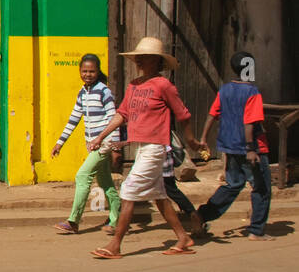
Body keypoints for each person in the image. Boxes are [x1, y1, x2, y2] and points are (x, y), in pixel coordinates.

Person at [86, 38, 201, 259]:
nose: (139, 60)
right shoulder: (135, 84)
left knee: (128, 191)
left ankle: (115, 244)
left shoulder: (163, 85)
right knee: (159, 195)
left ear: (157, 61)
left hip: (155, 148)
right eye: (138, 57)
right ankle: (183, 237)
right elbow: (123, 114)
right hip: (141, 148)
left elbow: (183, 114)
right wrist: (101, 135)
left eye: (144, 57)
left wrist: (192, 141)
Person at [194, 52, 272, 240]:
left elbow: (212, 115)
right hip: (250, 148)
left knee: (233, 184)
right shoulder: (252, 92)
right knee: (261, 188)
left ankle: (203, 214)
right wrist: (251, 149)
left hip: (230, 147)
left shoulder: (225, 90)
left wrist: (203, 139)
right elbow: (249, 123)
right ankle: (256, 230)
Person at [51, 54, 121, 235]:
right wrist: (60, 143)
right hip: (91, 145)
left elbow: (114, 118)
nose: (88, 74)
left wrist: (114, 145)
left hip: (103, 144)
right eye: (84, 71)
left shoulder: (103, 91)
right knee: (106, 182)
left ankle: (73, 220)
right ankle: (117, 218)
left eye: (92, 71)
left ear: (98, 72)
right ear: (80, 72)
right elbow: (73, 119)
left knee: (82, 176)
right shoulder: (83, 93)